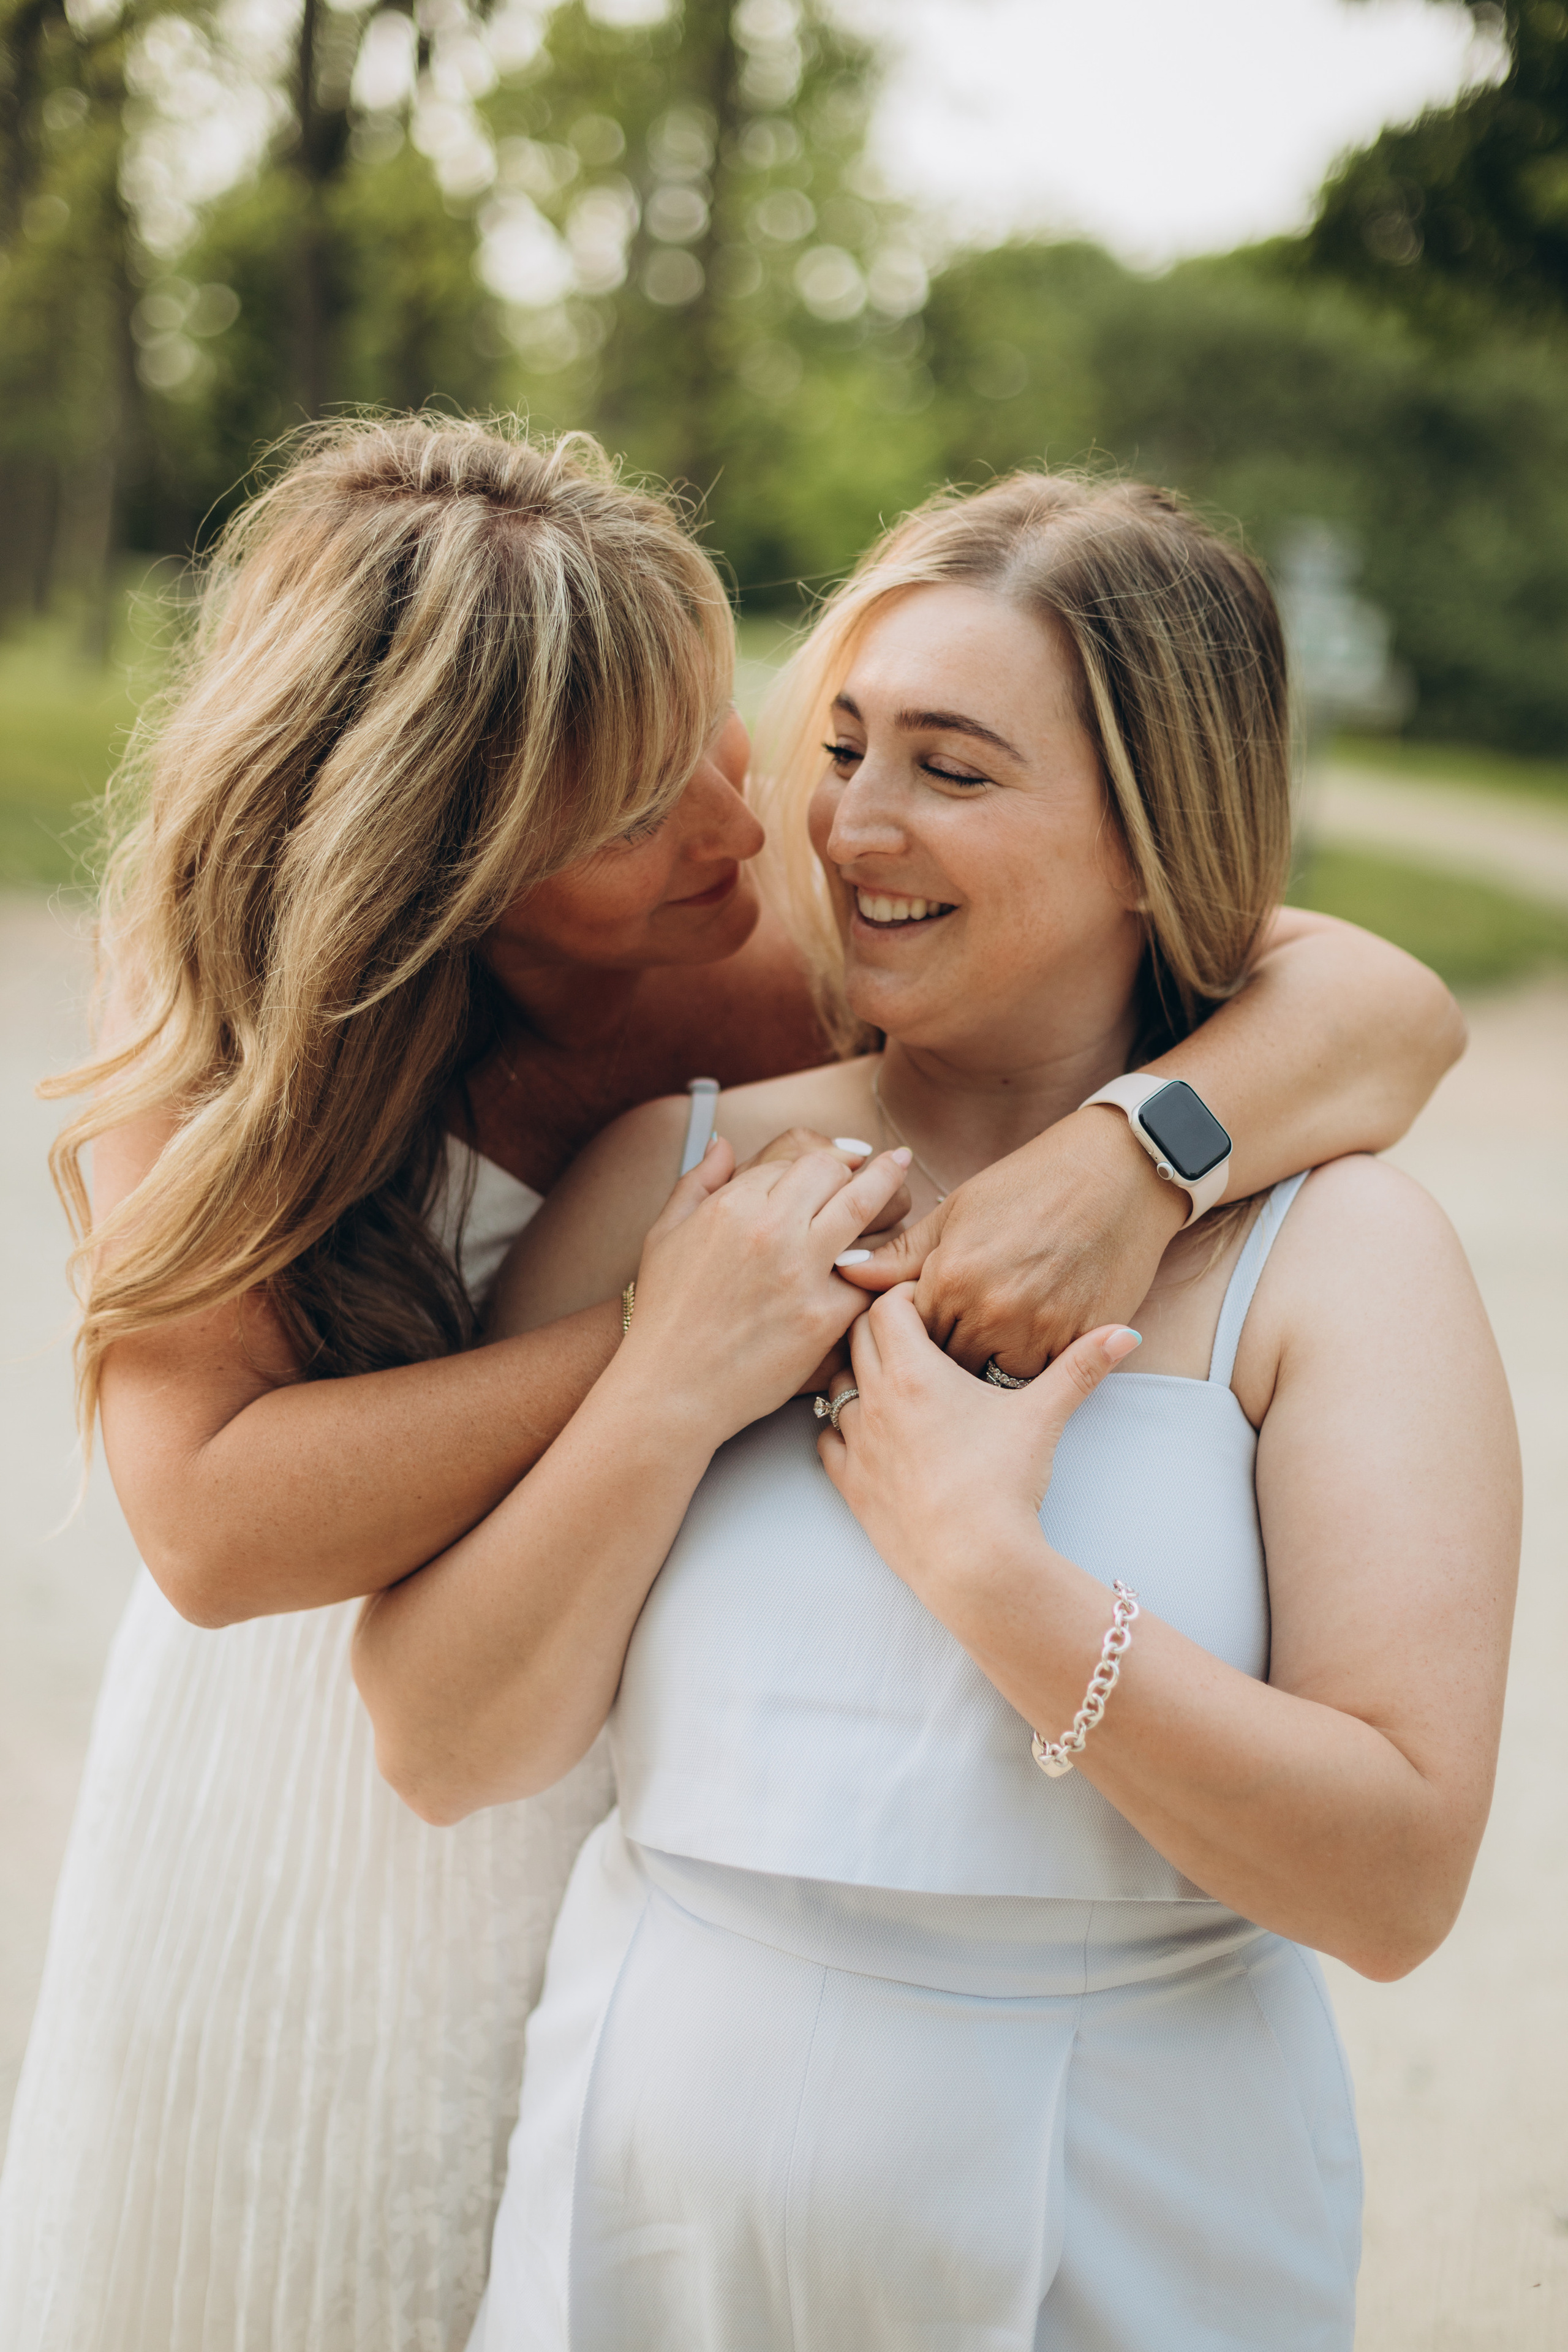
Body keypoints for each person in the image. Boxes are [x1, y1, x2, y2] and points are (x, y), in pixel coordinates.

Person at [1, 417, 1458, 2352]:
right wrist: (660, 1352)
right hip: (327, 1722)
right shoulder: (220, 1013)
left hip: (634, 1736)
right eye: (631, 814)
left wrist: (1133, 1155)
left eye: (726, 734)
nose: (751, 828)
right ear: (446, 866)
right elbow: (212, 1526)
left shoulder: (758, 942)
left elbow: (1374, 1004)